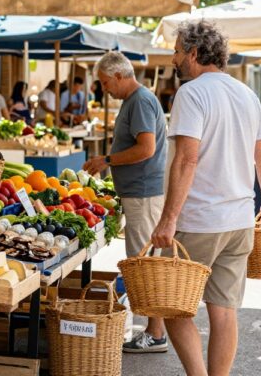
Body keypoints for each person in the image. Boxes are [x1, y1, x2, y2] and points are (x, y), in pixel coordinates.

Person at [150, 21, 261, 376]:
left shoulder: (191, 93)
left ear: (194, 53)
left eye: (177, 51)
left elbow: (187, 160)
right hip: (239, 221)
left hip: (199, 221)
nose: (174, 58)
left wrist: (168, 220)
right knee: (223, 311)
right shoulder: (247, 94)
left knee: (172, 306)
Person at [82, 51, 168, 354]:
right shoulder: (136, 100)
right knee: (144, 263)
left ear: (119, 75)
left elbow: (146, 149)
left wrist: (106, 160)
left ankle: (156, 333)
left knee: (144, 265)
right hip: (139, 193)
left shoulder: (140, 101)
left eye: (105, 82)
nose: (104, 89)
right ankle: (154, 329)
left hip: (143, 194)